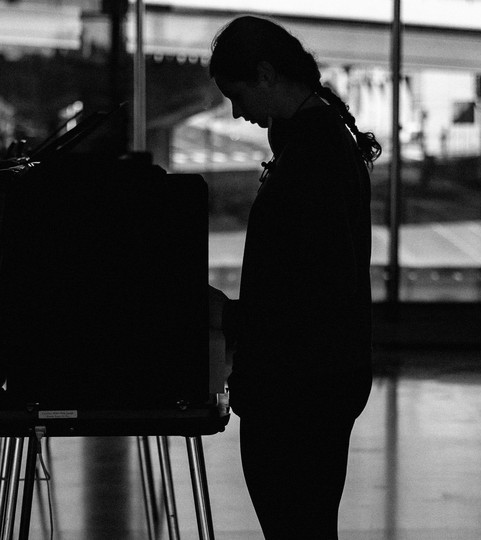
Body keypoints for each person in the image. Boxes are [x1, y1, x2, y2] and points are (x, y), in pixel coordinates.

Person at [206, 16, 379, 539]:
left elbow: (311, 292)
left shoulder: (311, 157)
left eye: (237, 96)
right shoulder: (319, 138)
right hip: (320, 381)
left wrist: (230, 315)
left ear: (265, 74)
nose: (238, 114)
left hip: (299, 389)